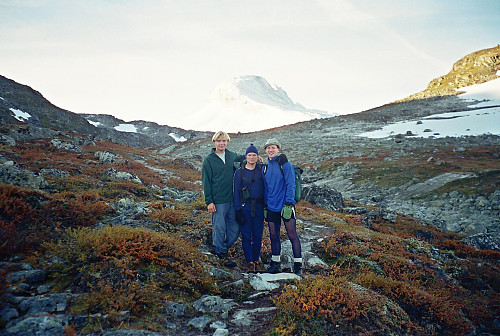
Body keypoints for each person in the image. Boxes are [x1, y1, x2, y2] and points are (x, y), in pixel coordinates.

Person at [202, 131, 245, 268]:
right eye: (219, 141)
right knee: (219, 227)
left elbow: (245, 158)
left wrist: (256, 157)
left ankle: (223, 246)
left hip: (233, 199)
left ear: (227, 142)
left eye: (224, 141)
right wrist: (209, 201)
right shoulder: (209, 160)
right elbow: (206, 182)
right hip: (218, 200)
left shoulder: (232, 155)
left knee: (234, 227)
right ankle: (220, 252)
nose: (222, 143)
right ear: (214, 142)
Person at [262, 138, 302, 275]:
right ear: (265, 150)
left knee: (292, 235)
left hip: (285, 205)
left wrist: (289, 203)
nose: (270, 150)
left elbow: (290, 184)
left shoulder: (285, 164)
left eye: (273, 147)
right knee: (274, 235)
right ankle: (275, 264)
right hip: (272, 206)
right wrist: (266, 206)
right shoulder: (266, 167)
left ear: (278, 149)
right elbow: (266, 188)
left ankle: (298, 265)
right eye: (268, 148)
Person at [233, 144, 265, 273]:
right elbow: (235, 192)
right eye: (249, 155)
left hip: (259, 207)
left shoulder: (262, 169)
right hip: (245, 207)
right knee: (246, 236)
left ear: (258, 157)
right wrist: (237, 210)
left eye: (254, 155)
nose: (252, 157)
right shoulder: (239, 172)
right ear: (246, 157)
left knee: (258, 235)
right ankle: (249, 263)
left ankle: (256, 260)